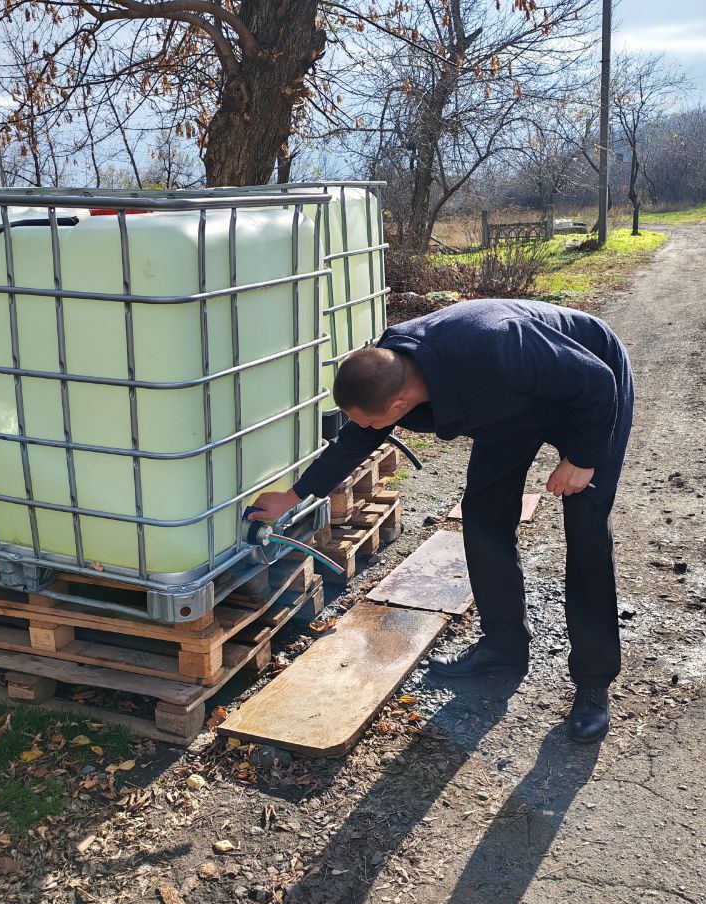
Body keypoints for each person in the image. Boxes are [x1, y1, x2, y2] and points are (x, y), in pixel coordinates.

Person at [250, 298, 634, 743]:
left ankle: (593, 684)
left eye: (373, 421)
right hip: (512, 406)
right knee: (484, 516)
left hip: (587, 390)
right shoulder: (391, 367)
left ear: (398, 403)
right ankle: (503, 649)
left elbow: (596, 381)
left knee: (586, 530)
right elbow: (355, 439)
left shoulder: (500, 345)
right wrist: (293, 496)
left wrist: (583, 458)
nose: (367, 427)